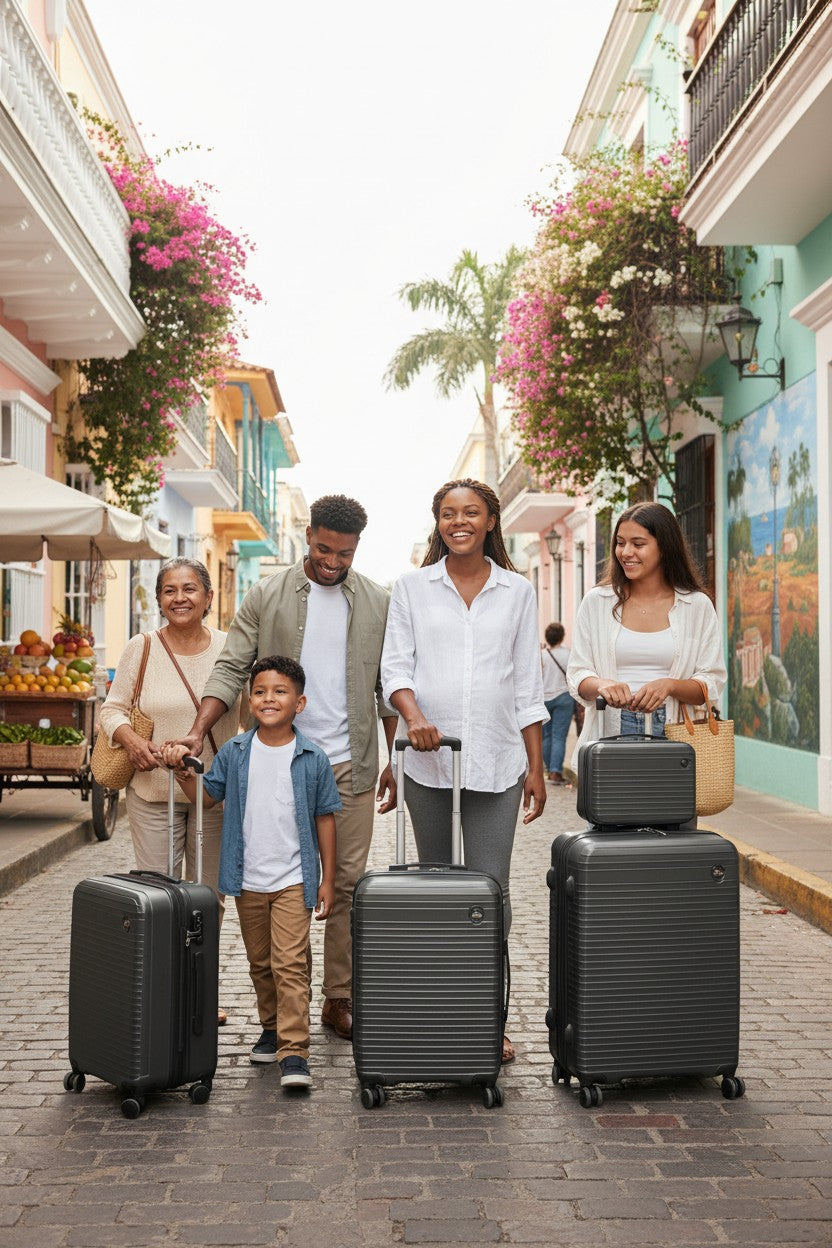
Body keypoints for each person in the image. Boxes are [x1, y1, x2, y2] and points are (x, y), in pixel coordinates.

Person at [171, 494, 397, 1042]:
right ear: (308, 535)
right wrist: (198, 733)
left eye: (345, 554)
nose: (333, 562)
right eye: (324, 549)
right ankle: (276, 1011)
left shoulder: (377, 601)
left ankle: (337, 997)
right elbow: (230, 668)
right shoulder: (266, 594)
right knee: (270, 884)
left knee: (344, 883)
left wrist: (395, 757)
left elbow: (387, 685)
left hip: (350, 763)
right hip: (275, 763)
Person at [381, 478, 547, 1065]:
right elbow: (395, 668)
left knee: (490, 893)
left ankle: (486, 1019)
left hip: (499, 760)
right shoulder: (411, 588)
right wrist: (415, 718)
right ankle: (438, 1014)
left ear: (490, 522)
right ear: (438, 523)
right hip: (427, 762)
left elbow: (526, 684)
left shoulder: (517, 592)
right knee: (436, 891)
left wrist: (536, 765)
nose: (459, 522)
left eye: (470, 513)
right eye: (448, 513)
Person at [163, 656, 340, 1089]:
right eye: (260, 691)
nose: (268, 699)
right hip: (246, 876)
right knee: (261, 963)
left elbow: (325, 818)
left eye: (280, 692)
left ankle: (294, 1052)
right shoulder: (237, 753)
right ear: (248, 699)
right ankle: (272, 1026)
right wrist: (185, 773)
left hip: (294, 878)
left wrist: (327, 879)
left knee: (289, 963)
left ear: (300, 703)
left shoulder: (313, 757)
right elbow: (207, 798)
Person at [99, 557, 241, 1025]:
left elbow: (246, 719)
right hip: (153, 793)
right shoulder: (141, 647)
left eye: (189, 589)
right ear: (159, 599)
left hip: (213, 797)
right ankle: (162, 992)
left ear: (208, 597)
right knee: (159, 895)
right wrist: (132, 741)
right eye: (169, 591)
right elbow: (112, 709)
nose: (179, 598)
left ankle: (200, 992)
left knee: (207, 900)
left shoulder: (230, 648)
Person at [567, 501, 726, 759]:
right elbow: (577, 675)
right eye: (620, 543)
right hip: (610, 735)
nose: (626, 552)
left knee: (669, 801)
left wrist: (670, 686)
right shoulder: (597, 602)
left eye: (638, 544)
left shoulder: (696, 605)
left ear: (665, 547)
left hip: (676, 736)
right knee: (612, 801)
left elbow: (712, 682)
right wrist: (602, 685)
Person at [541, 622, 574, 785]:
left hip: (544, 699)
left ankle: (548, 769)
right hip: (564, 697)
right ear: (562, 637)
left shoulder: (542, 655)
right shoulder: (569, 655)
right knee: (559, 736)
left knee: (545, 736)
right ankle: (555, 772)